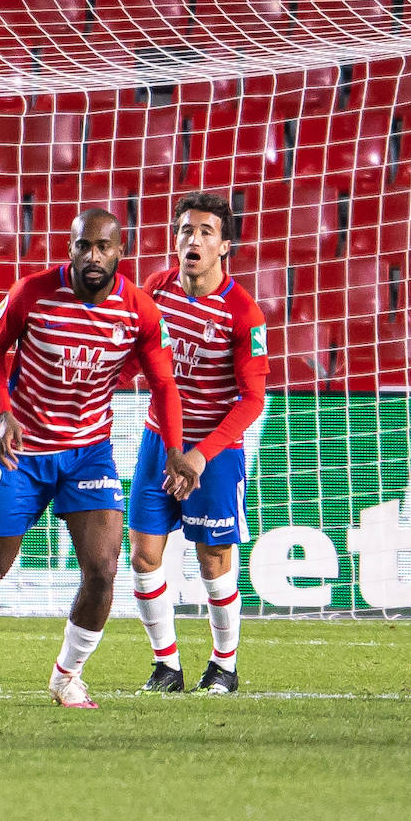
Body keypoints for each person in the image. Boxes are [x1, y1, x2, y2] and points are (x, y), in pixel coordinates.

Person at [0, 208, 199, 709]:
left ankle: (67, 676)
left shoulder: (141, 312)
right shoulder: (31, 293)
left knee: (103, 568)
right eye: (83, 246)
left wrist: (176, 450)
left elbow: (164, 383)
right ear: (69, 249)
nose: (93, 256)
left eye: (103, 246)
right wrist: (2, 412)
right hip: (24, 451)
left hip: (88, 454)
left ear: (122, 251)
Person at [129, 192, 268, 695]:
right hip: (158, 442)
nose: (194, 240)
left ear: (224, 246)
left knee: (213, 560)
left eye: (206, 232)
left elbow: (253, 400)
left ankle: (224, 667)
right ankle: (166, 667)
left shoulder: (243, 314)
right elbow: (133, 359)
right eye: (186, 230)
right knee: (144, 557)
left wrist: (200, 455)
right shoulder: (155, 290)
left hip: (213, 452)